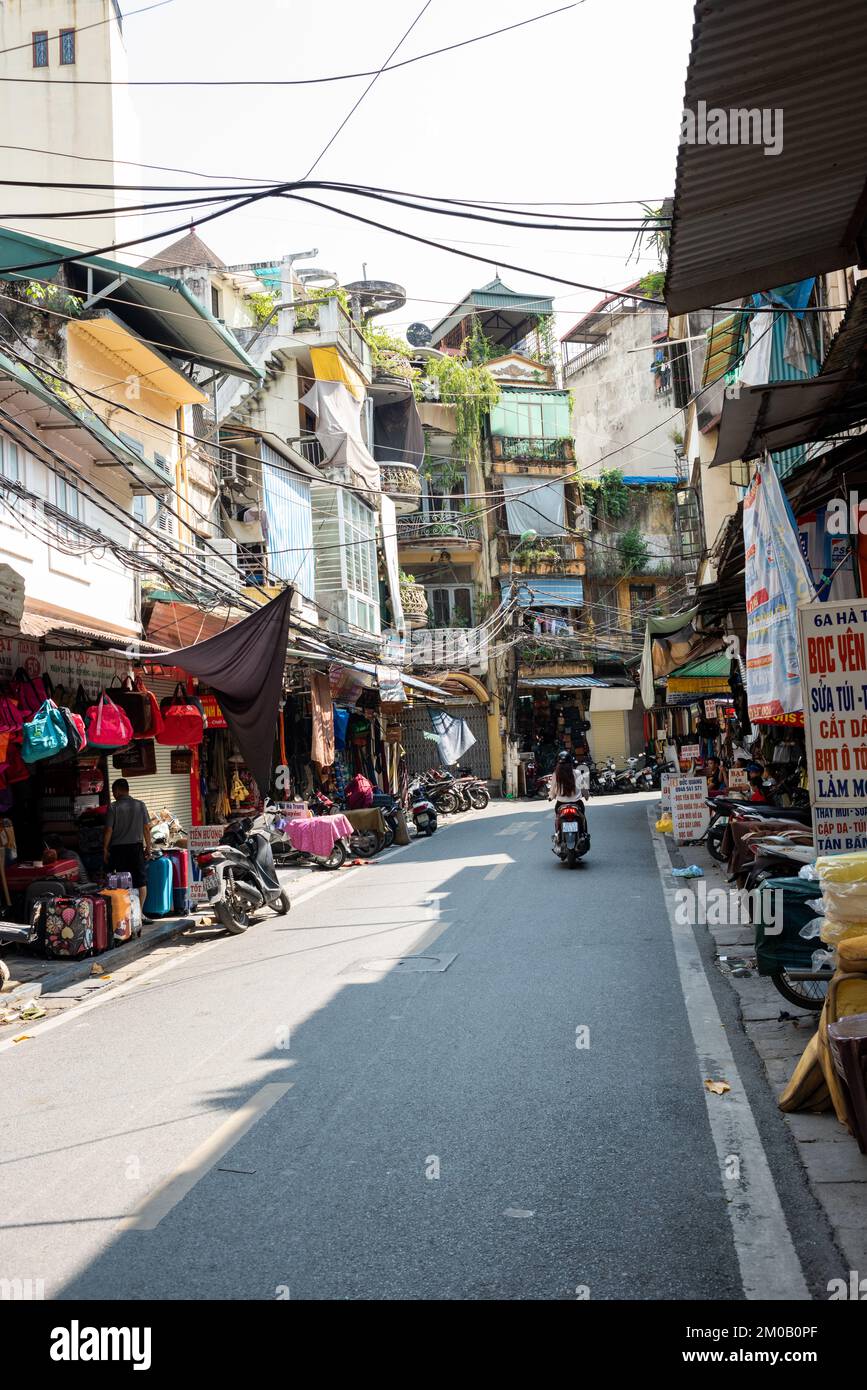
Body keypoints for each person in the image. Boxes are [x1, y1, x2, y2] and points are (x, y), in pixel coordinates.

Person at [103, 779, 153, 919]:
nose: (113, 794)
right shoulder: (140, 805)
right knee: (141, 881)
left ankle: (125, 914)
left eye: (113, 791)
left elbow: (108, 830)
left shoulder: (113, 807)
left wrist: (105, 849)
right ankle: (140, 913)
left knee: (120, 881)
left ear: (118, 790)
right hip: (136, 848)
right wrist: (148, 847)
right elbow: (146, 828)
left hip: (118, 850)